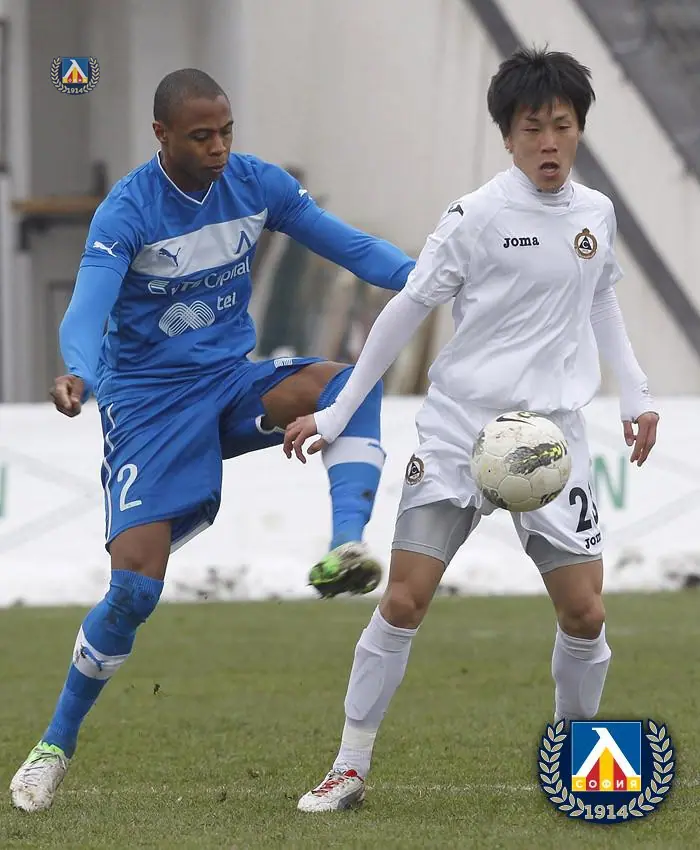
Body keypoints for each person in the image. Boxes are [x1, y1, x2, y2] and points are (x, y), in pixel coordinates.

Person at [9, 68, 415, 812]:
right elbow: (87, 309)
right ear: (161, 135)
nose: (219, 148)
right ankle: (54, 745)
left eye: (226, 132)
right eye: (202, 137)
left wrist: (432, 280)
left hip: (228, 381)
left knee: (348, 385)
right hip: (148, 405)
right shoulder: (127, 210)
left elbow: (354, 249)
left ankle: (346, 546)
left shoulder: (256, 185)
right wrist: (78, 372)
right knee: (134, 591)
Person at [285, 47, 660, 812]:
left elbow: (600, 300)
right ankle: (349, 767)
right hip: (460, 435)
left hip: (550, 443)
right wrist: (335, 410)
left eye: (562, 126)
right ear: (508, 135)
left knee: (586, 614)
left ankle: (579, 762)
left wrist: (635, 395)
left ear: (579, 129)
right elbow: (406, 310)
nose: (548, 142)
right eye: (533, 128)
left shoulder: (596, 214)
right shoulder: (474, 216)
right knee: (404, 600)